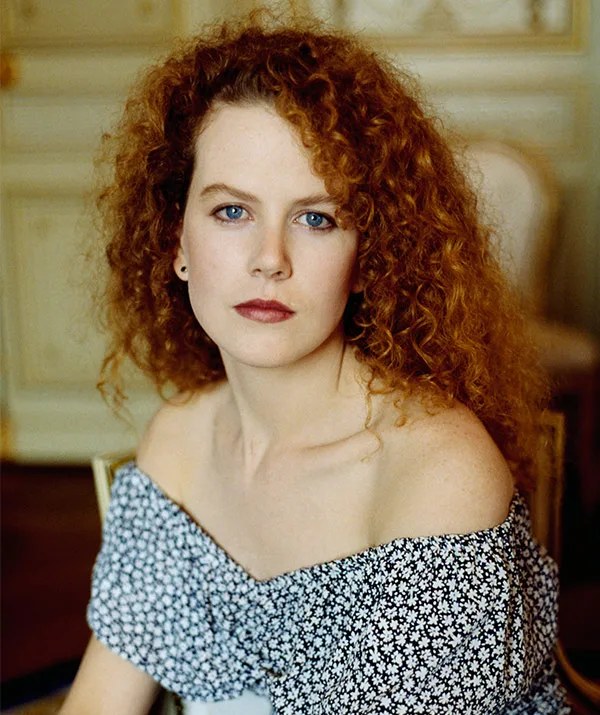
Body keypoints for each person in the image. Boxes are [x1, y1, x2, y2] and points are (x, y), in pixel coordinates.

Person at [61, 11, 569, 715]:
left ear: (367, 259)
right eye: (232, 211)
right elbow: (99, 703)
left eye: (316, 218)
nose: (270, 259)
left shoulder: (437, 472)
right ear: (176, 240)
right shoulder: (178, 442)